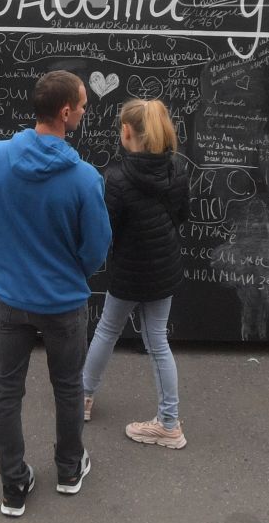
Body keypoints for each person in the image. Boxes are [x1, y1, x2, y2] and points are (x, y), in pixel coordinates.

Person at [0, 71, 110, 517]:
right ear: (65, 112)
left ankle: (14, 486)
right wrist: (72, 272)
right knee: (68, 388)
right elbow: (97, 248)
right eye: (84, 106)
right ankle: (69, 471)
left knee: (7, 391)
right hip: (64, 304)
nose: (85, 113)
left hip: (9, 299)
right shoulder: (85, 178)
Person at [81, 98, 189, 449]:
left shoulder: (116, 178)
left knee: (107, 330)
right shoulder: (177, 171)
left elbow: (105, 228)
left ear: (127, 132)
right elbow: (181, 217)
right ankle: (168, 420)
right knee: (158, 341)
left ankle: (82, 397)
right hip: (164, 267)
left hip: (129, 270)